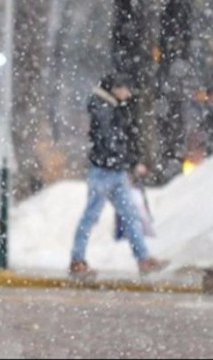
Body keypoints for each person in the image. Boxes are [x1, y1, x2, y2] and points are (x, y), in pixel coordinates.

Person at [69, 73, 169, 279]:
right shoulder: (104, 109)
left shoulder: (109, 107)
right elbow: (112, 140)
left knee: (129, 216)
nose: (128, 93)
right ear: (115, 88)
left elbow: (116, 139)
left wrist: (126, 163)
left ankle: (143, 258)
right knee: (93, 216)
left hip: (113, 170)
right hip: (105, 171)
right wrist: (129, 162)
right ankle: (77, 260)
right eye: (125, 88)